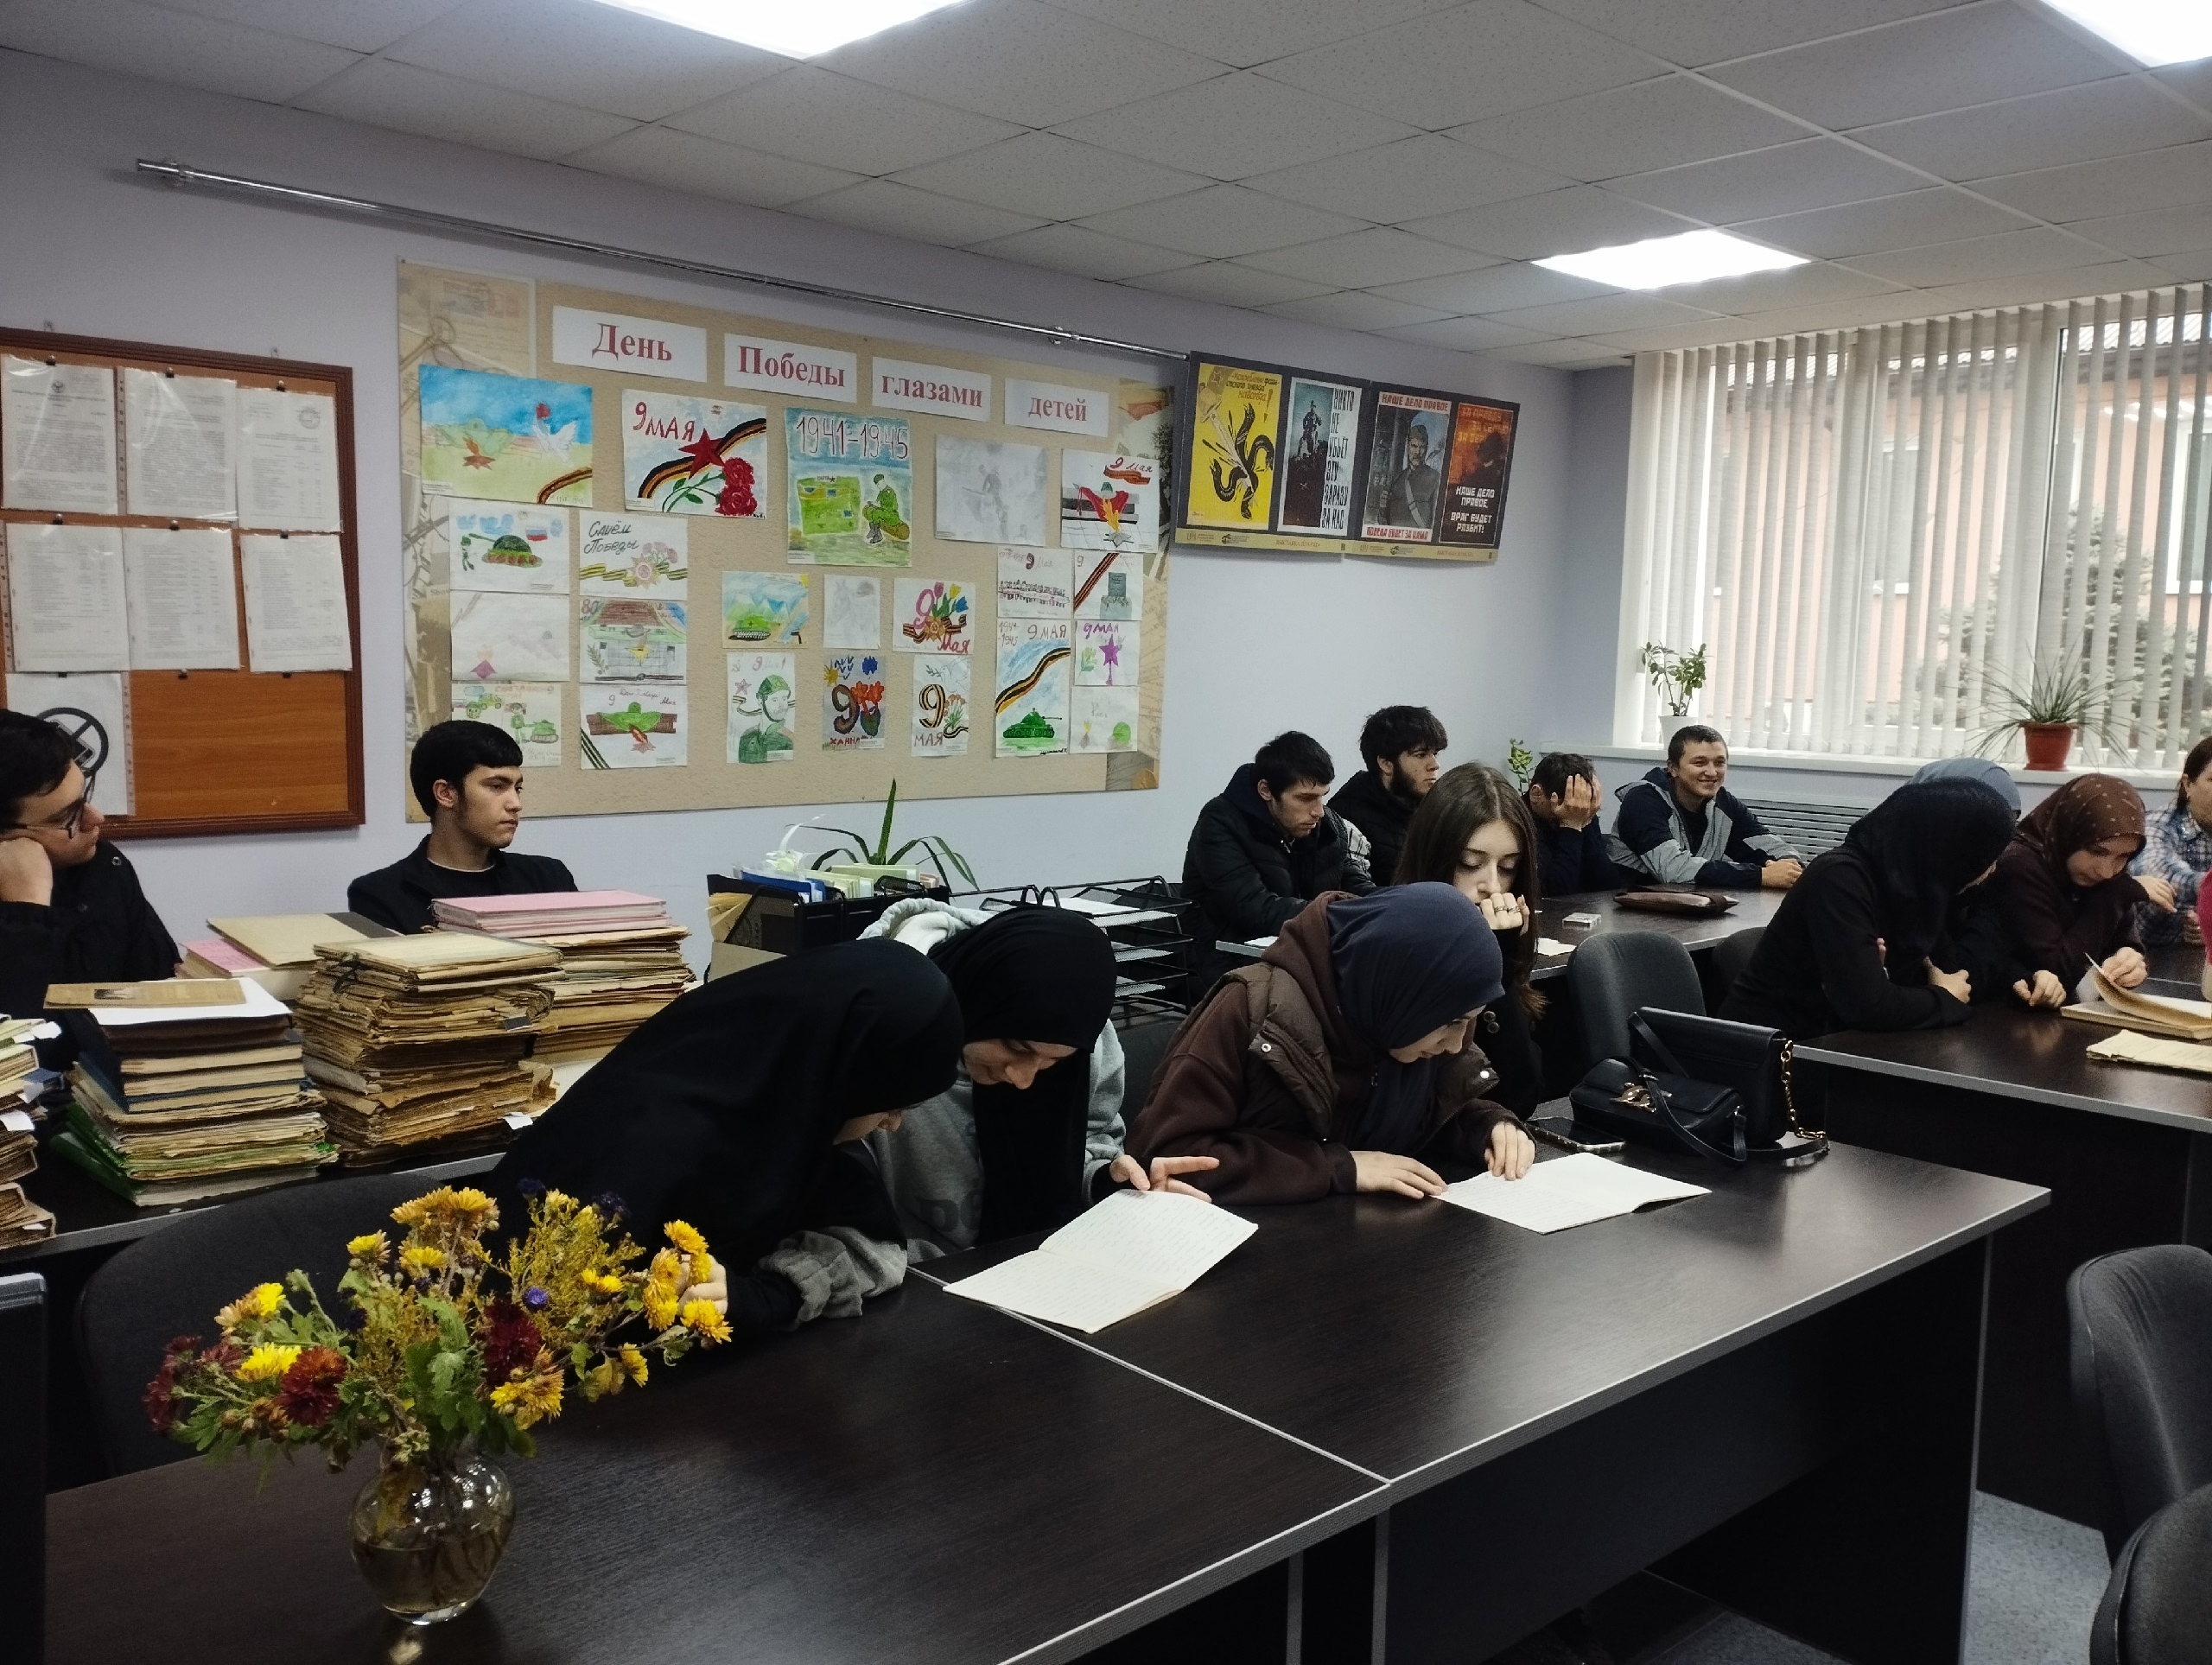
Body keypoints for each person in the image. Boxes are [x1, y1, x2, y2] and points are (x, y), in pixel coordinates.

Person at [489, 939, 963, 1340]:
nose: (893, 1125)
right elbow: (563, 1325)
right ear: (847, 1076)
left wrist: (773, 1293)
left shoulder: (794, 1110)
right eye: (891, 1105)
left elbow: (874, 1250)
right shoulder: (652, 1142)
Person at [1130, 884, 1535, 1206]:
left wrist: (1486, 1125)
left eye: (1469, 1020)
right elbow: (1166, 1158)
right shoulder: (1249, 1010)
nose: (1456, 1045)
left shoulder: (1400, 1019)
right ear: (1396, 995)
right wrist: (1333, 1167)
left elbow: (1425, 1114)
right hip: (1253, 1255)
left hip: (1370, 1245)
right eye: (1451, 1022)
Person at [859, 899, 1217, 1257]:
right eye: (1016, 1047)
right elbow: (843, 1222)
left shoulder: (1088, 1045)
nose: (1023, 1080)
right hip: (911, 1275)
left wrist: (1105, 1182)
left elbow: (1091, 1139)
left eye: (1054, 1063)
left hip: (1043, 1260)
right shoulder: (881, 1046)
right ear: (975, 1003)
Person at [1721, 780, 2018, 1040]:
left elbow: (1955, 972)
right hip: (1775, 1056)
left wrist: (2021, 980)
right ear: (1955, 850)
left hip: (1847, 1047)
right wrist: (1943, 998)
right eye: (1987, 856)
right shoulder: (1839, 879)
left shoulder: (1918, 887)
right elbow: (1868, 1006)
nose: (1992, 868)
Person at [0, 709, 179, 1025]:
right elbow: (15, 1040)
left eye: (84, 798)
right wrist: (25, 915)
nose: (96, 819)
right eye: (65, 817)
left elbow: (162, 991)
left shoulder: (103, 866)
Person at [1395, 764, 1548, 1116]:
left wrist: (1500, 966)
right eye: (1469, 863)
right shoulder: (1397, 949)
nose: (1492, 886)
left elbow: (1520, 1098)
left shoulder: (1502, 937)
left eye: (1507, 867)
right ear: (1434, 859)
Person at [348, 721, 576, 933]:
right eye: (497, 786)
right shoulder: (380, 896)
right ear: (446, 794)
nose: (516, 804)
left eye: (517, 788)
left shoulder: (548, 879)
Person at [1183, 731, 1375, 953]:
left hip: (1300, 950)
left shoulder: (1326, 825)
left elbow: (1353, 882)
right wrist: (1344, 913)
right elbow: (1253, 909)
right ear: (1266, 790)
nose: (1319, 811)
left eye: (1322, 796)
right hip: (1224, 957)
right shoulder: (1219, 822)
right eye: (1305, 798)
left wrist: (1389, 903)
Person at [1989, 774, 2173, 1004]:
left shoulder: (2109, 874)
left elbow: (2124, 942)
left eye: (2125, 856)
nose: (2107, 871)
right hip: (1999, 1013)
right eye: (2097, 851)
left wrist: (2129, 962)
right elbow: (2057, 971)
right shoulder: (2020, 865)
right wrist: (2114, 894)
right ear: (2070, 831)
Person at [1609, 725, 1802, 890]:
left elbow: (1771, 846)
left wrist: (1789, 866)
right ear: (1673, 768)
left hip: (1690, 903)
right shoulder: (1642, 801)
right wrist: (1760, 875)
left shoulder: (1723, 803)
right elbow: (1673, 870)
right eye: (1699, 763)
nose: (1711, 772)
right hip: (1627, 904)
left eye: (1719, 763)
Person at [1328, 705, 1448, 887]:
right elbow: (1358, 897)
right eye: (1421, 755)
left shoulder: (1431, 809)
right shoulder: (1346, 819)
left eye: (1435, 754)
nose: (1434, 764)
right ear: (1386, 764)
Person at [2132, 736, 2212, 947]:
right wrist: (2208, 890)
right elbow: (2155, 871)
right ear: (2188, 784)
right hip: (2138, 954)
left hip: (2192, 958)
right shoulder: (2159, 824)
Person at [1524, 752, 1622, 895]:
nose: (1575, 810)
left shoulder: (1580, 812)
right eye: (1568, 807)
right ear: (1536, 794)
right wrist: (1570, 827)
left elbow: (1609, 886)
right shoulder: (1519, 822)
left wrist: (1586, 822)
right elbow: (1552, 895)